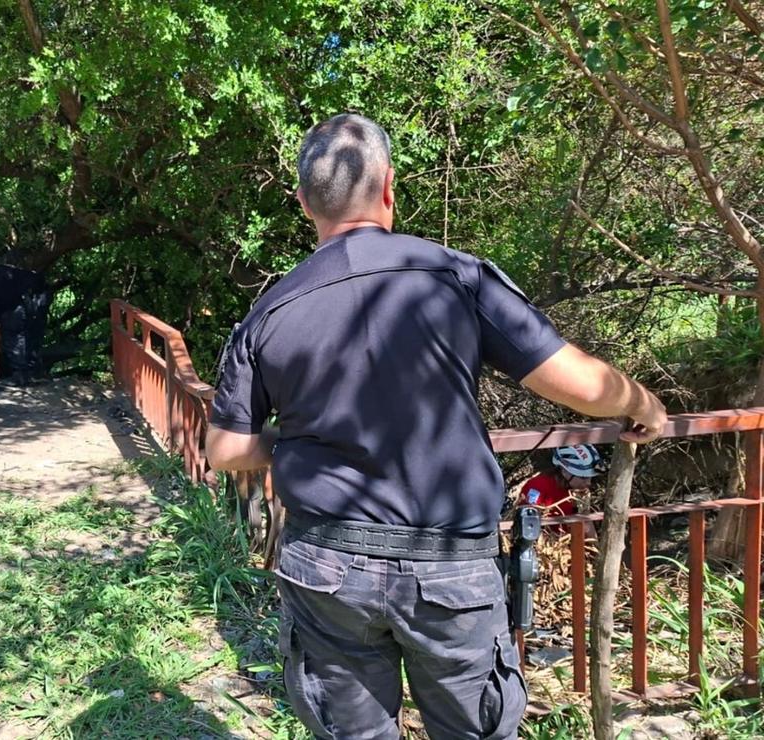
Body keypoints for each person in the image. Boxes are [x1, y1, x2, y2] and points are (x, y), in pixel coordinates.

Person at [204, 114, 666, 740]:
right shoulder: (455, 277)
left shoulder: (269, 310)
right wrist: (643, 406)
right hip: (449, 563)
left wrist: (301, 437)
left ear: (302, 202)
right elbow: (580, 387)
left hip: (326, 565)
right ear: (389, 186)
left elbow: (227, 449)